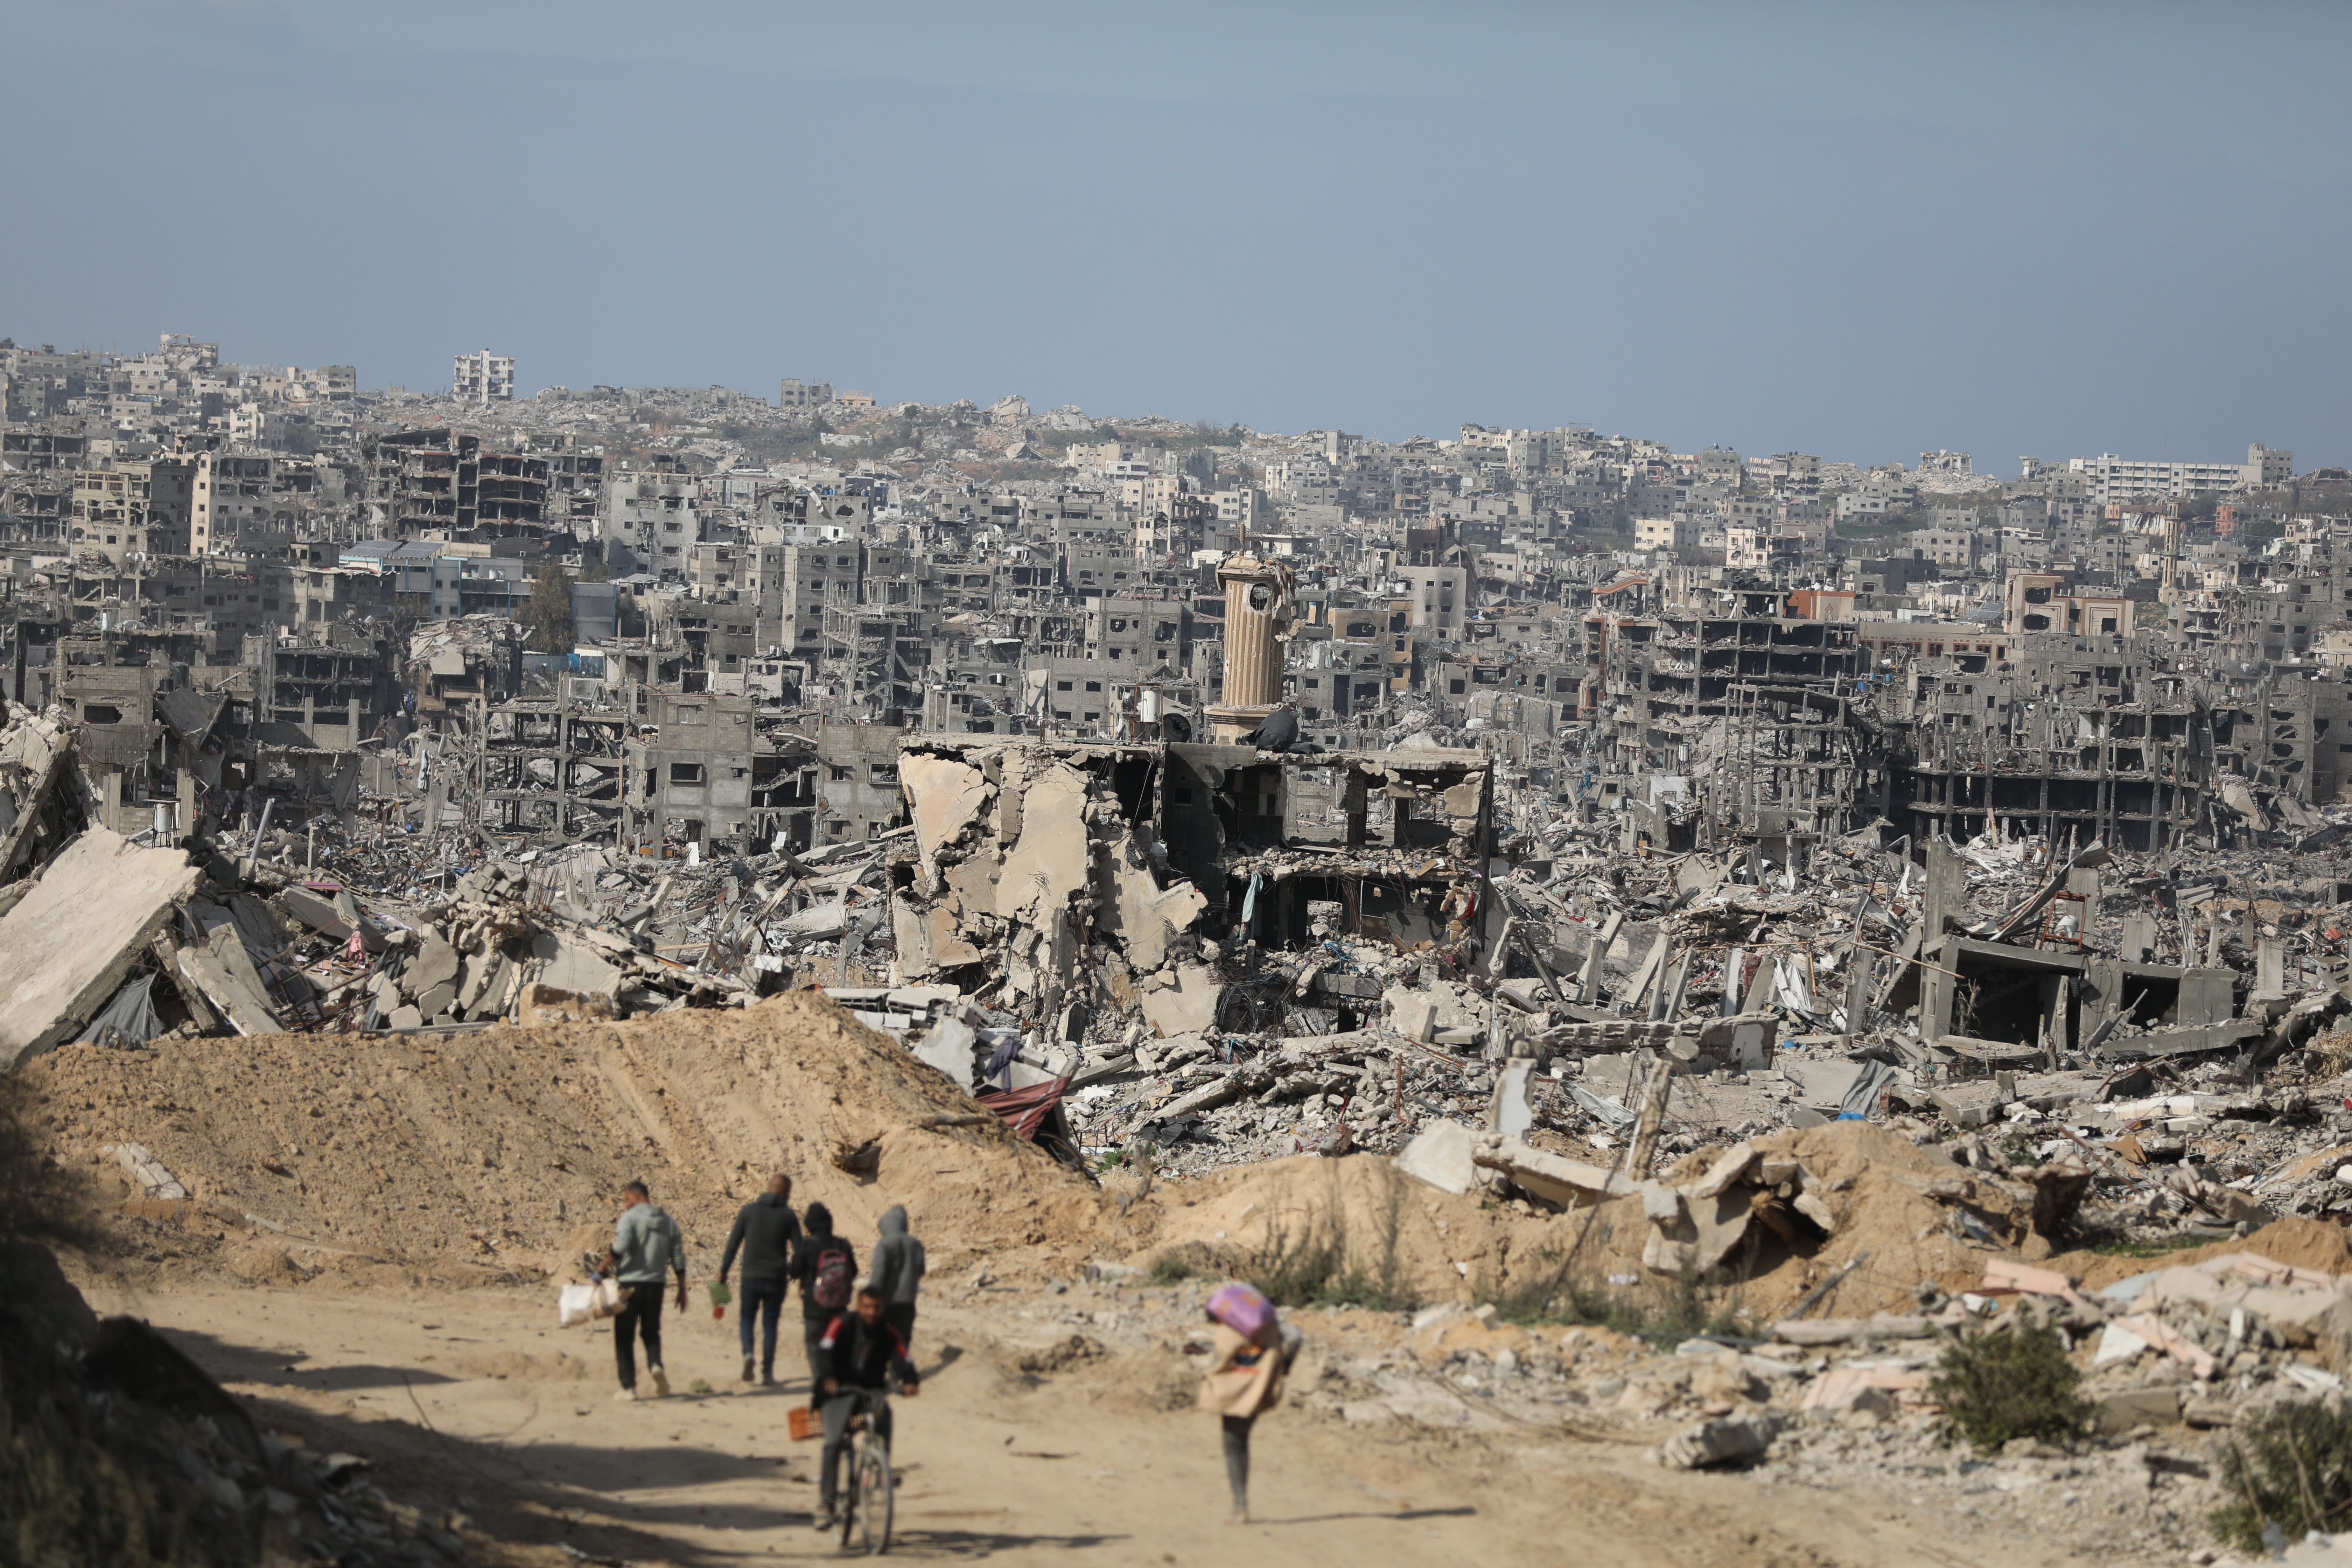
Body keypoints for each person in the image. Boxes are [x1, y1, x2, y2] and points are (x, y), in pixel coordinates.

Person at [809, 1285, 919, 1533]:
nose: (871, 1312)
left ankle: (880, 1469)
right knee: (834, 1442)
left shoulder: (889, 1332)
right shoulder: (841, 1323)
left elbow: (904, 1358)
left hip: (871, 1393)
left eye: (877, 1308)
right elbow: (823, 1351)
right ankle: (827, 1502)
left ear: (883, 1310)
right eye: (867, 1307)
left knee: (884, 1415)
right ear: (858, 1306)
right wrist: (828, 1377)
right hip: (838, 1392)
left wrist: (911, 1380)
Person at [1195, 1282, 1295, 1524]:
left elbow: (1224, 1356)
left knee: (1233, 1446)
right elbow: (1295, 1339)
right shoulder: (1272, 1327)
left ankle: (1240, 1507)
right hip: (1260, 1389)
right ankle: (1240, 1506)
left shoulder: (1228, 1329)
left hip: (1234, 1391)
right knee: (1243, 1441)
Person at [606, 1179, 687, 1402]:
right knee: (651, 1330)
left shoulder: (630, 1218)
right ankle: (655, 1365)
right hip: (656, 1285)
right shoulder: (669, 1222)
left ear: (636, 1196)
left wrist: (604, 1265)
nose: (624, 1204)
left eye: (626, 1199)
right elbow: (678, 1258)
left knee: (624, 1336)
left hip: (630, 1285)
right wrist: (682, 1290)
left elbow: (622, 1246)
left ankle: (628, 1387)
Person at [719, 1173, 801, 1385]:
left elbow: (734, 1244)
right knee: (770, 1324)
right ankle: (767, 1372)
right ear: (783, 1192)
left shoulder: (749, 1211)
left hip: (751, 1276)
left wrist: (724, 1271)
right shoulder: (788, 1216)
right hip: (776, 1278)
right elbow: (800, 1250)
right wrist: (792, 1271)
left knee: (747, 1318)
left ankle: (748, 1354)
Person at [791, 1203, 858, 1388]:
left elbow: (794, 1271)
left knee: (814, 1343)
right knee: (837, 1342)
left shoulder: (808, 1246)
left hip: (814, 1306)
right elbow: (854, 1272)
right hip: (839, 1305)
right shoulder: (843, 1244)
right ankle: (839, 1379)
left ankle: (821, 1380)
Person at [866, 1204, 926, 1346]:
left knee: (882, 1339)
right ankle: (900, 1366)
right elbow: (921, 1270)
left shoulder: (885, 1243)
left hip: (886, 1301)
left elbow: (878, 1274)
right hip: (908, 1301)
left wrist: (872, 1295)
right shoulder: (915, 1243)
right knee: (902, 1341)